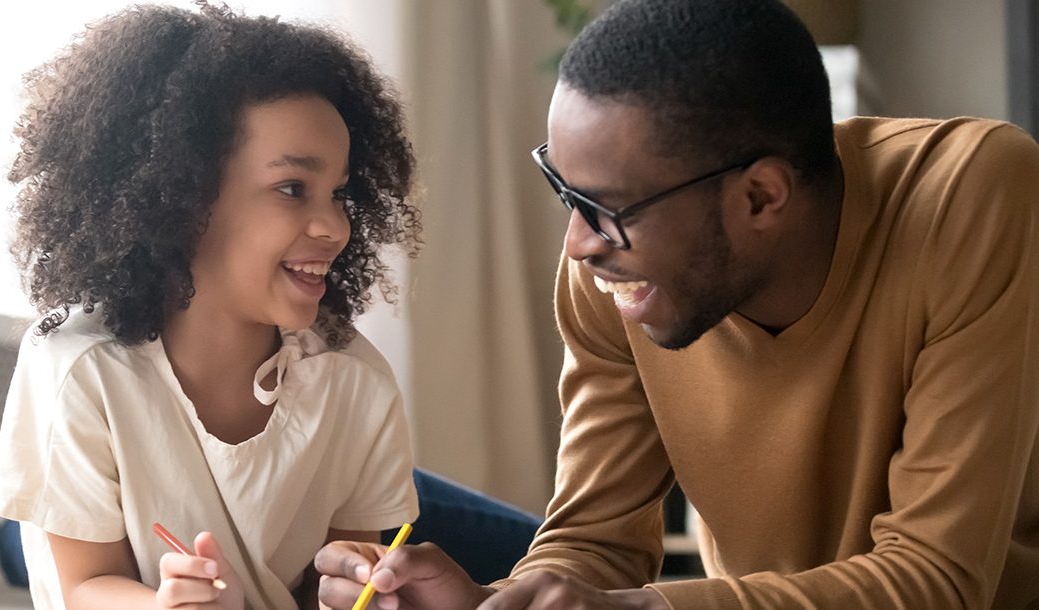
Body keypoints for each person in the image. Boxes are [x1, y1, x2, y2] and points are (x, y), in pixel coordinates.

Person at [313, 0, 1039, 608]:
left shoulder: (967, 197)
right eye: (565, 192)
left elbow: (940, 578)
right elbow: (593, 541)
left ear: (762, 197)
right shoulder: (616, 268)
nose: (578, 244)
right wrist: (510, 600)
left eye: (604, 207)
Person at [0, 4, 422, 609]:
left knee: (523, 555)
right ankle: (12, 521)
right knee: (27, 530)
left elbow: (338, 580)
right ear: (182, 197)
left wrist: (351, 588)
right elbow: (84, 587)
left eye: (339, 193)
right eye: (293, 188)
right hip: (86, 486)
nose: (334, 227)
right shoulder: (78, 365)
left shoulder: (356, 381)